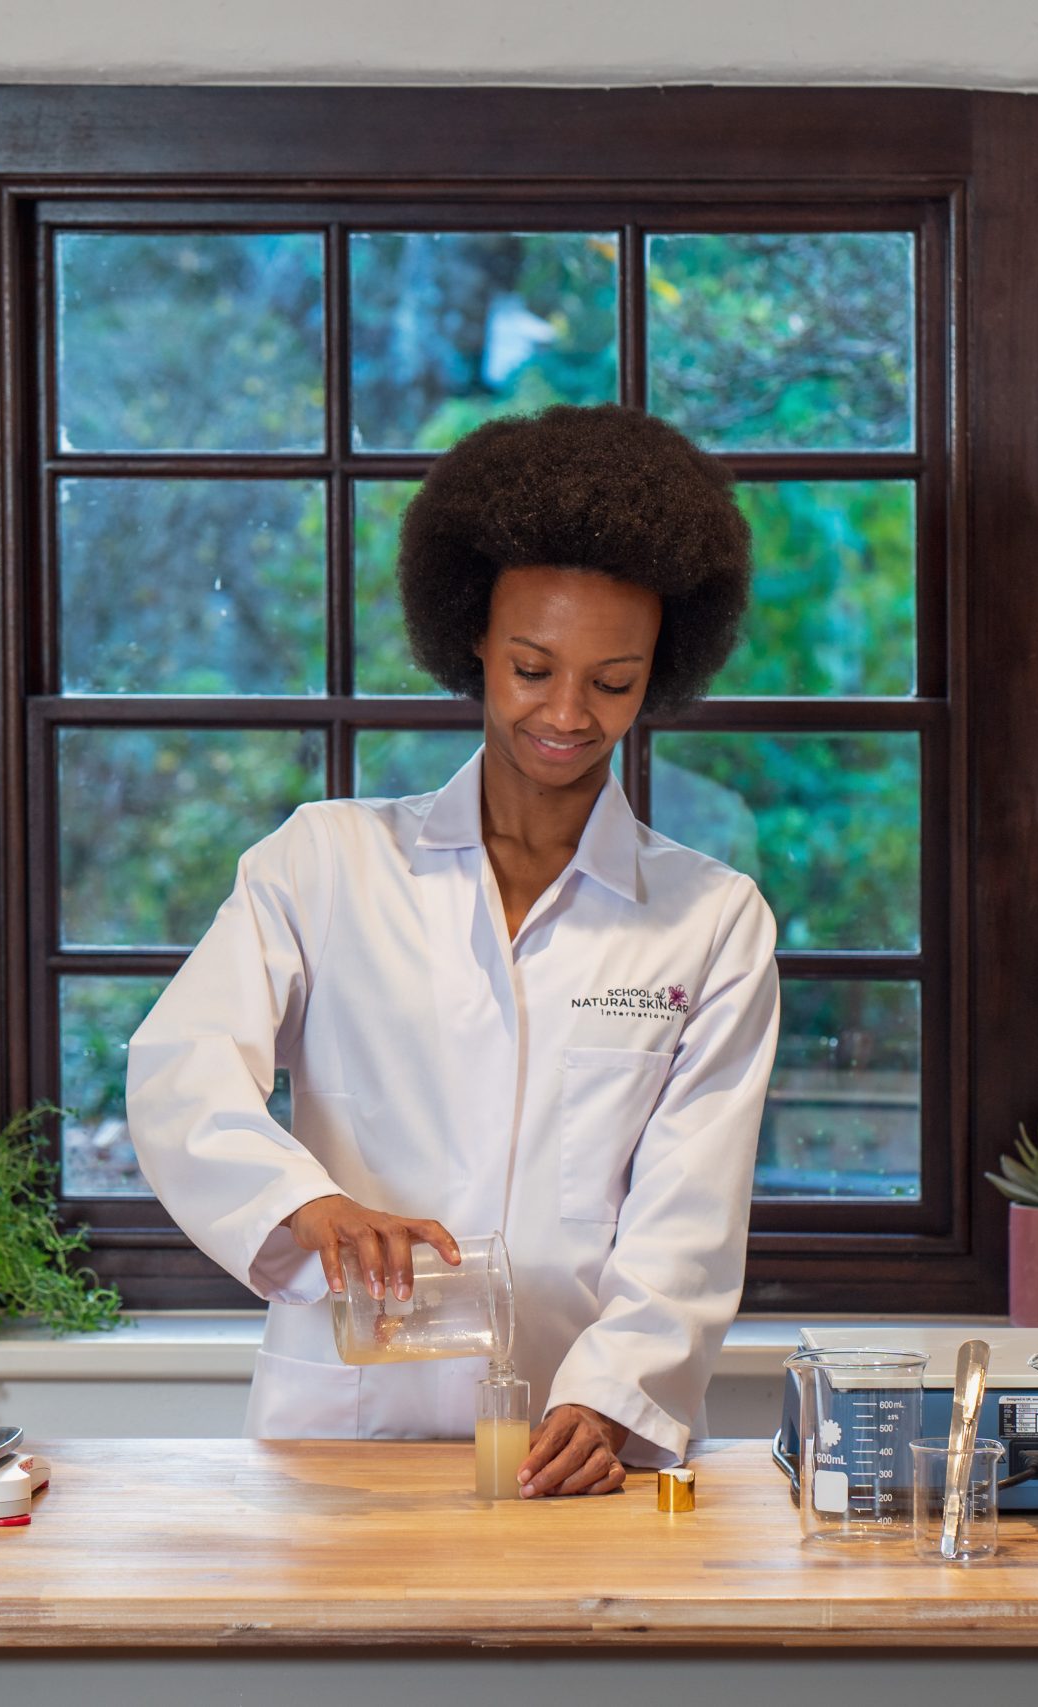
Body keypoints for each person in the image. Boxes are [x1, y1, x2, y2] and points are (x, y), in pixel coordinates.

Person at [127, 404, 780, 1498]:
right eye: (532, 667)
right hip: (341, 1434)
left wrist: (613, 1394)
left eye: (611, 682)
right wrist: (305, 1204)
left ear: (658, 670)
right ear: (472, 634)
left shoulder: (710, 922)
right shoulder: (323, 864)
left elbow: (692, 1212)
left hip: (579, 1450)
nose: (566, 713)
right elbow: (180, 1070)